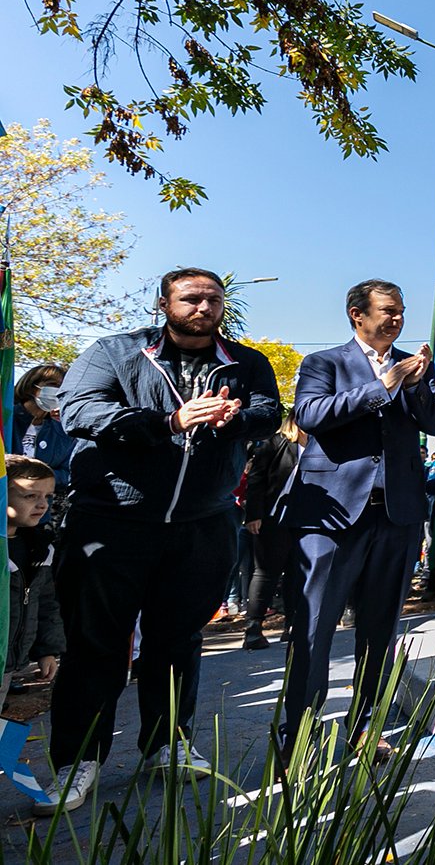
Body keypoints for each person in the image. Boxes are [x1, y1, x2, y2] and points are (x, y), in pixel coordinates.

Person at [43, 268, 280, 814]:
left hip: (202, 524)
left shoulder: (245, 362)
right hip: (113, 521)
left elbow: (272, 413)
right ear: (164, 303)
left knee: (176, 642)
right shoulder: (116, 352)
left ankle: (167, 743)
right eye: (191, 298)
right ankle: (79, 759)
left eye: (214, 299)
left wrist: (235, 416)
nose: (203, 307)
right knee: (96, 645)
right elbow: (79, 410)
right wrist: (169, 420)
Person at [278, 280, 435, 759]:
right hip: (331, 518)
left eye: (401, 311)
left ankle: (364, 728)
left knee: (380, 630)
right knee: (315, 628)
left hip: (396, 517)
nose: (397, 318)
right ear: (357, 314)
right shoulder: (324, 363)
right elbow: (310, 414)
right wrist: (383, 386)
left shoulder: (416, 367)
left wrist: (415, 388)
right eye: (388, 311)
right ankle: (300, 738)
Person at [4, 456, 65, 711]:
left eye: (47, 497)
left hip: (9, 665)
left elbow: (45, 604)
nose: (42, 504)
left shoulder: (39, 548)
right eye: (30, 496)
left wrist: (46, 650)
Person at [240, 416, 306, 650]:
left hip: (303, 520)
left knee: (297, 572)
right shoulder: (275, 443)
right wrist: (254, 514)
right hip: (272, 517)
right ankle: (253, 627)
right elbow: (256, 478)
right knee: (266, 571)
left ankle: (292, 623)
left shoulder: (318, 446)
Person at [11, 364, 72, 493]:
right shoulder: (7, 420)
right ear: (31, 387)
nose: (58, 390)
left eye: (63, 387)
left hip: (37, 508)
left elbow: (69, 473)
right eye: (52, 384)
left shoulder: (62, 431)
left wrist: (39, 477)